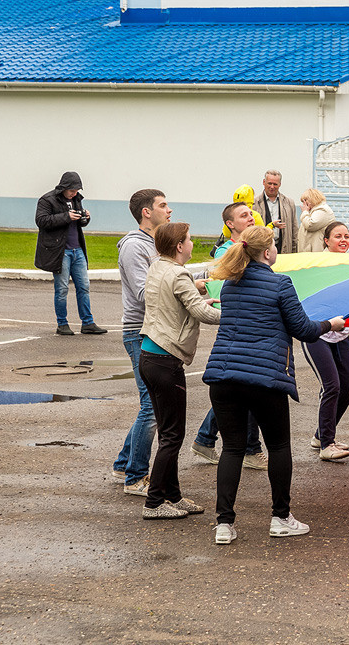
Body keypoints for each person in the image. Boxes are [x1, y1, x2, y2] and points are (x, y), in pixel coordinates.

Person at [202, 225, 340, 545]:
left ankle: (224, 524)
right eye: (275, 245)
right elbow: (303, 329)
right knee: (278, 446)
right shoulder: (281, 283)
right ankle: (280, 518)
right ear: (267, 253)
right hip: (265, 378)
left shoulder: (230, 285)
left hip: (223, 377)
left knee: (232, 449)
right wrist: (330, 324)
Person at [138, 222, 222, 520]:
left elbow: (182, 304)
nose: (192, 243)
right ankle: (154, 503)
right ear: (178, 246)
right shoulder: (179, 273)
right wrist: (236, 313)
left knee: (167, 433)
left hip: (149, 355)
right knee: (173, 436)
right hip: (165, 360)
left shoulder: (157, 267)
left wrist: (202, 300)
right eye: (189, 239)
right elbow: (201, 313)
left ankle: (171, 495)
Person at [193, 204, 265, 470]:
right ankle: (247, 448)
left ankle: (207, 438)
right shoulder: (228, 252)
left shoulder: (254, 248)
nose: (250, 217)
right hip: (237, 325)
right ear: (230, 224)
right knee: (246, 386)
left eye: (251, 214)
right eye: (244, 215)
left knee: (242, 388)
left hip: (251, 323)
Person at [112, 188, 172, 498]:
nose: (169, 210)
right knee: (151, 406)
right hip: (139, 331)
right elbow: (142, 293)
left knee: (149, 404)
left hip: (152, 330)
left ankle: (124, 463)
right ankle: (135, 477)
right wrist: (181, 291)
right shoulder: (135, 248)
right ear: (146, 212)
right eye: (163, 205)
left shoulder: (153, 245)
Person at [302, 221, 349, 462]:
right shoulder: (316, 265)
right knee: (332, 386)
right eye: (338, 236)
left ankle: (320, 435)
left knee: (347, 390)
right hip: (317, 333)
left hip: (341, 333)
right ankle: (327, 443)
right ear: (326, 240)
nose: (343, 240)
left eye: (346, 236)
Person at [34, 171, 106, 336]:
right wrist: (66, 216)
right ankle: (62, 324)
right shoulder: (47, 200)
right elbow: (41, 221)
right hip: (60, 251)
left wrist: (85, 218)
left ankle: (87, 323)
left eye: (77, 190)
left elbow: (79, 224)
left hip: (77, 249)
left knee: (84, 287)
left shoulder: (76, 199)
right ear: (64, 187)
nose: (75, 193)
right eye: (72, 190)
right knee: (62, 289)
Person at [254, 170, 298, 255]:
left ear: (280, 184)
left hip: (284, 249)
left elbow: (294, 229)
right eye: (269, 183)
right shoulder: (254, 203)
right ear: (264, 182)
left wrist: (294, 250)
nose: (272, 187)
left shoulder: (289, 203)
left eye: (275, 184)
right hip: (262, 249)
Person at [298, 188, 337, 253]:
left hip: (316, 252)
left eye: (305, 201)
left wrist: (304, 212)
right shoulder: (314, 211)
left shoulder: (322, 210)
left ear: (311, 199)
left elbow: (310, 225)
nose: (304, 204)